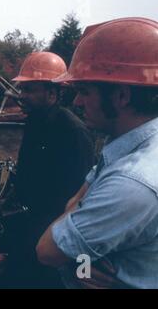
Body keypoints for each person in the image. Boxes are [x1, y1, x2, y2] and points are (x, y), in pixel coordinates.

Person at [37, 17, 158, 289]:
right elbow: (75, 205)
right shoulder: (130, 147)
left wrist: (74, 260)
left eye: (84, 91)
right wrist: (82, 261)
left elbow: (47, 250)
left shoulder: (131, 183)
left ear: (122, 96)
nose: (78, 102)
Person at [10, 51, 95, 288]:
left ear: (53, 92)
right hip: (33, 222)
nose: (22, 95)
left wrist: (84, 264)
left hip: (57, 231)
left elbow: (84, 202)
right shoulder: (34, 121)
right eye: (23, 89)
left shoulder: (73, 131)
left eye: (30, 90)